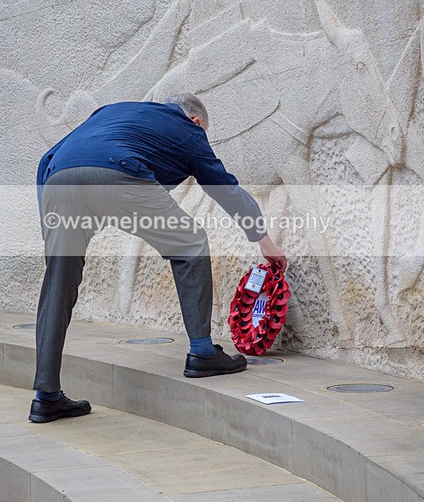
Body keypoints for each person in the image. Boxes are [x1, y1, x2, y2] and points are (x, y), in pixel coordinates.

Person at [29, 93, 287, 423]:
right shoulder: (188, 128)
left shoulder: (113, 112)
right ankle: (203, 353)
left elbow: (47, 157)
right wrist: (262, 238)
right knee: (191, 244)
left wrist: (49, 236)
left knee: (58, 282)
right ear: (196, 120)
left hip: (57, 180)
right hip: (118, 173)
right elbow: (222, 185)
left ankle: (46, 397)